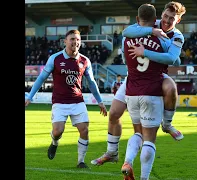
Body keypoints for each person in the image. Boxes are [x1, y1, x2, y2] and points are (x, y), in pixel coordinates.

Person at [91, 1, 186, 166]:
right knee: (113, 114)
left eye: (172, 18)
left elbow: (172, 59)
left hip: (156, 75)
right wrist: (152, 30)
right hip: (134, 76)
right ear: (160, 15)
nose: (167, 20)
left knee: (171, 87)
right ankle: (112, 153)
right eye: (165, 16)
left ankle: (167, 124)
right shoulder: (152, 23)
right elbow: (127, 31)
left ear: (177, 20)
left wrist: (146, 52)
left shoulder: (177, 36)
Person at [25, 30, 108, 168]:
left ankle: (80, 161)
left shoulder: (84, 60)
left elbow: (92, 83)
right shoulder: (55, 58)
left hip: (77, 101)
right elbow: (41, 78)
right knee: (58, 131)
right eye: (72, 39)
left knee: (84, 130)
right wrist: (30, 96)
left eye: (78, 40)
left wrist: (100, 101)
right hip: (59, 101)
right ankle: (54, 143)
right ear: (65, 41)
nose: (75, 42)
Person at [121, 4, 177, 179]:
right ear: (156, 21)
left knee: (137, 133)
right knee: (149, 139)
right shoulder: (163, 40)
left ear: (137, 20)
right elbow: (173, 58)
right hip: (151, 93)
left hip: (131, 93)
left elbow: (126, 32)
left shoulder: (127, 39)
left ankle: (128, 160)